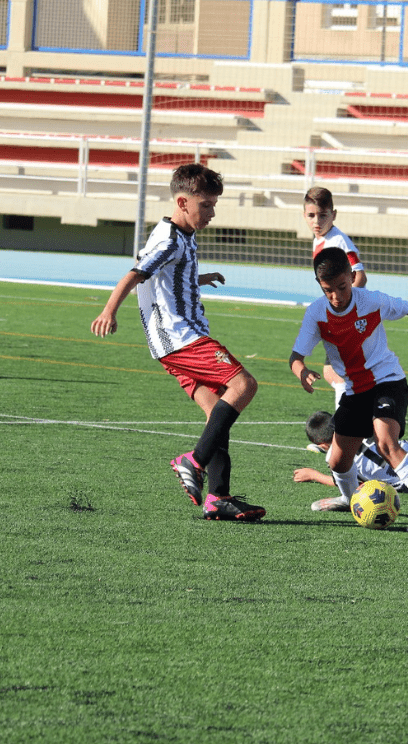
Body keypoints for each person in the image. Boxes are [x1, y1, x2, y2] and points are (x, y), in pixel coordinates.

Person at [90, 163, 265, 522]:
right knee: (244, 384)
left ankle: (218, 498)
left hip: (171, 342)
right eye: (207, 205)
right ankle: (194, 460)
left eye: (215, 205)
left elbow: (166, 278)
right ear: (183, 202)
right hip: (183, 337)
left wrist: (200, 277)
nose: (212, 213)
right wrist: (109, 310)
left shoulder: (179, 235)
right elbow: (136, 275)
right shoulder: (169, 238)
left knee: (217, 413)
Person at [289, 246, 408, 533]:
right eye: (328, 290)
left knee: (386, 443)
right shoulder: (316, 314)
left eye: (342, 287)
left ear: (352, 277)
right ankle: (354, 503)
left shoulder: (371, 301)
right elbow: (295, 357)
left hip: (388, 381)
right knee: (337, 459)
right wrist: (302, 372)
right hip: (354, 391)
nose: (336, 296)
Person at [304, 186, 368, 407]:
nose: (317, 221)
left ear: (334, 215)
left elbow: (360, 277)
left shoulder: (338, 241)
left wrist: (342, 311)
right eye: (311, 215)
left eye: (323, 215)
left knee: (339, 375)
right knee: (333, 372)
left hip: (349, 316)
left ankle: (345, 432)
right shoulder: (320, 239)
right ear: (304, 215)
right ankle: (357, 431)